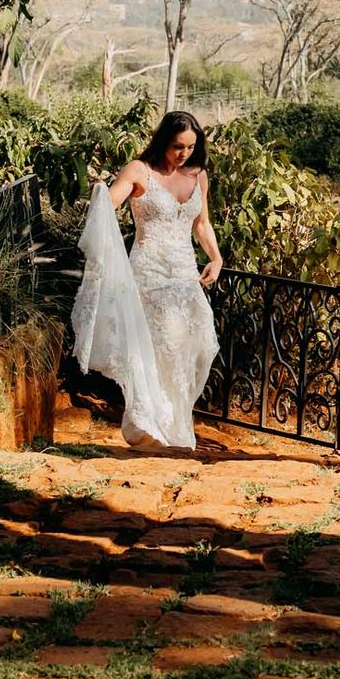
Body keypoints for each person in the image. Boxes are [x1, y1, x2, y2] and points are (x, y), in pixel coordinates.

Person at [70, 111, 222, 450]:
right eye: (177, 146)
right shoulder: (140, 170)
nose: (184, 153)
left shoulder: (198, 175)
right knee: (157, 350)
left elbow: (201, 223)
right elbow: (109, 205)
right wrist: (100, 193)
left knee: (191, 349)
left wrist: (216, 258)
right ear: (163, 141)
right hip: (149, 274)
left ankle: (177, 429)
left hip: (185, 276)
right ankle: (145, 426)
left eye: (190, 147)